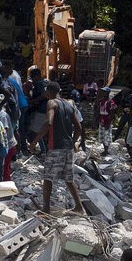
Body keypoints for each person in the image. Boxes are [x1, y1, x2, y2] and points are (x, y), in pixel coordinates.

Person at [32, 81, 85, 215]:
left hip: (56, 147)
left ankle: (46, 209)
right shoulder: (69, 104)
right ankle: (79, 207)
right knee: (68, 178)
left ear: (49, 91)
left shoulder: (52, 103)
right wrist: (73, 142)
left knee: (48, 178)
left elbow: (48, 123)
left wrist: (34, 142)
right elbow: (79, 128)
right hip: (68, 148)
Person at [97, 88, 117, 153]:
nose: (102, 93)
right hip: (101, 121)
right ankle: (105, 150)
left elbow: (112, 113)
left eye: (104, 92)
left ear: (107, 93)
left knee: (107, 137)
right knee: (102, 136)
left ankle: (106, 150)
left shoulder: (111, 102)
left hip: (107, 121)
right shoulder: (101, 101)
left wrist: (109, 123)